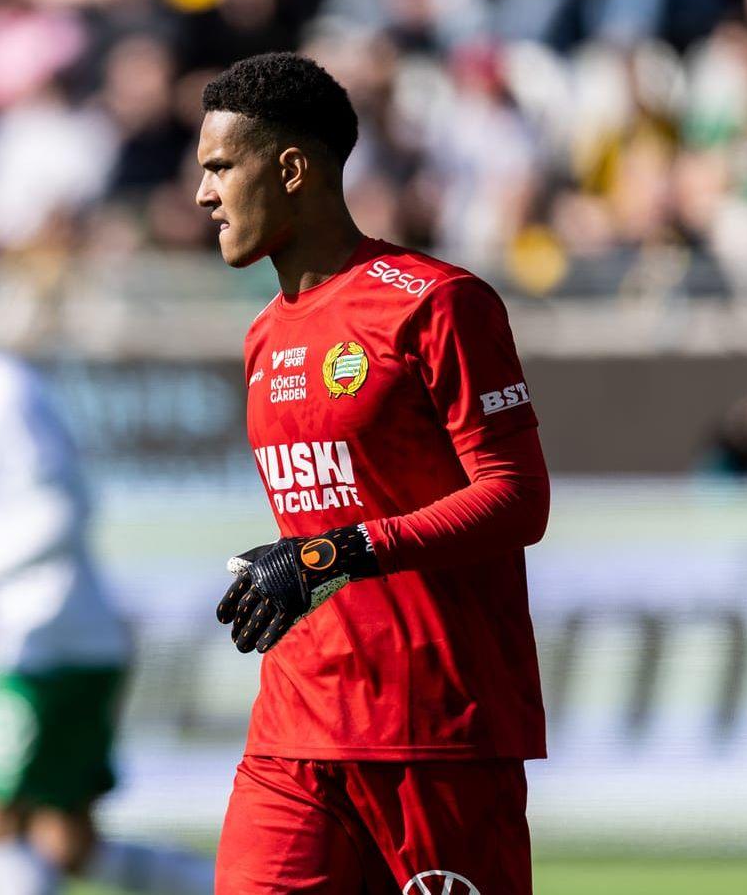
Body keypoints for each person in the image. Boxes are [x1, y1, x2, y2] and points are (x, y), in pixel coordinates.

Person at [194, 53, 551, 894]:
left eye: (219, 169)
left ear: (290, 169)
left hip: (434, 732)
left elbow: (516, 497)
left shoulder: (434, 303)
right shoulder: (261, 338)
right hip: (295, 728)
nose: (203, 195)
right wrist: (311, 561)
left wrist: (334, 553)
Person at [0, 269, 215, 895]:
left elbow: (61, 513)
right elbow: (26, 518)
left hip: (46, 647)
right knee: (67, 844)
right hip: (70, 636)